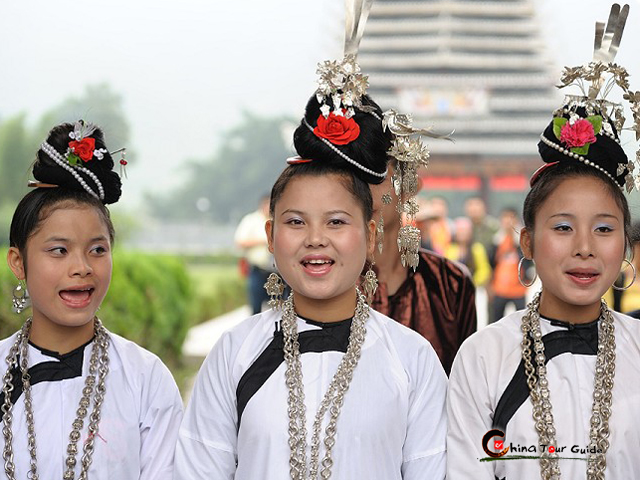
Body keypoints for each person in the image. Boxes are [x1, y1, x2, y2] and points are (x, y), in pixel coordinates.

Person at [175, 53, 447, 479]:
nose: (315, 238)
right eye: (296, 222)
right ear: (270, 237)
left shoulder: (412, 359)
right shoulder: (233, 354)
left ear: (371, 235)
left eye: (337, 222)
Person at [447, 5, 640, 478]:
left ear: (626, 246)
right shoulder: (484, 356)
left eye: (603, 228)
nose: (584, 248)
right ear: (526, 243)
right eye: (561, 227)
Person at [1, 120, 183, 479]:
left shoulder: (145, 378)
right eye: (59, 250)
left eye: (97, 249)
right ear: (19, 262)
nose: (82, 267)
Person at [488, 207, 529, 323]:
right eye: (505, 218)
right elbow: (490, 263)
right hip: (499, 288)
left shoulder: (522, 241)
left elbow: (529, 261)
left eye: (511, 218)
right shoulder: (496, 240)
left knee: (522, 322)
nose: (507, 221)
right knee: (495, 322)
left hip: (518, 289)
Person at [234, 194, 274, 314]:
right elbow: (240, 241)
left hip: (278, 272)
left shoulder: (279, 220)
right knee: (256, 307)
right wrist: (264, 240)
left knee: (280, 308)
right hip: (258, 270)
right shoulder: (251, 221)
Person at [445, 216, 491, 288]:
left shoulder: (477, 248)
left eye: (465, 230)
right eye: (460, 230)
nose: (462, 233)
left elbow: (484, 270)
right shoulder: (450, 249)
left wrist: (472, 282)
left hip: (474, 286)